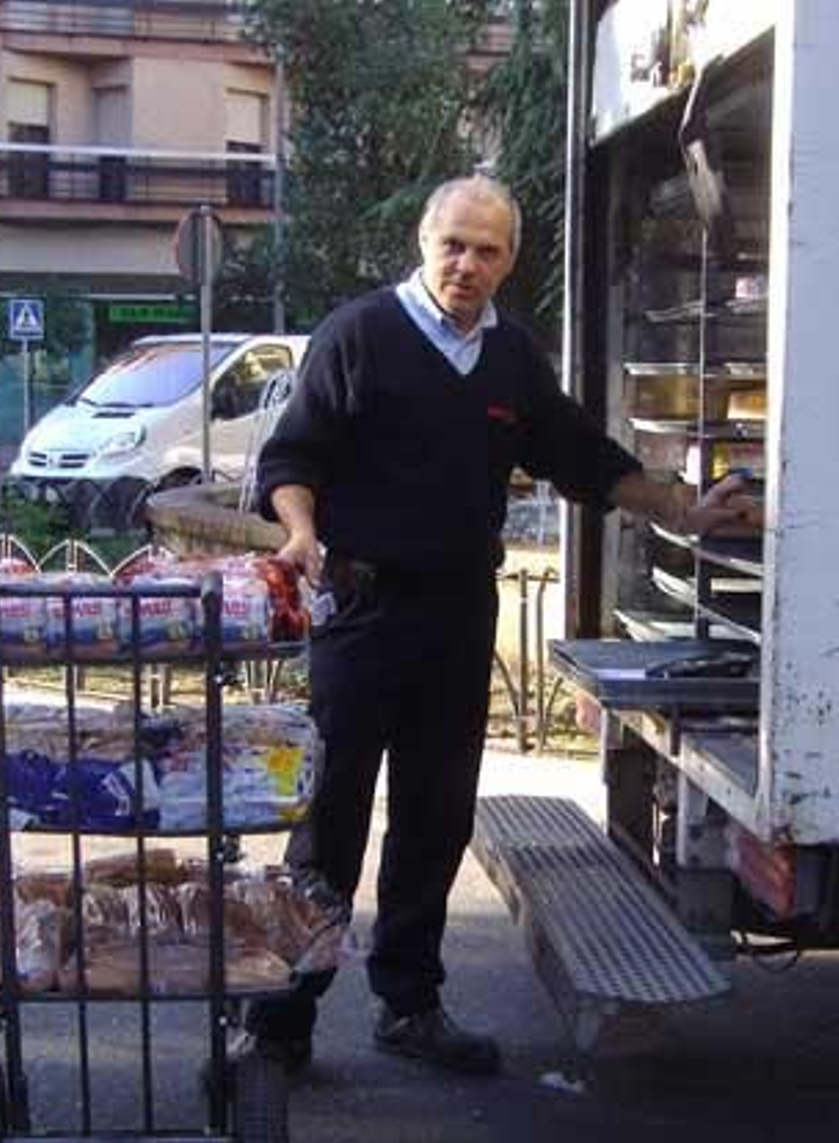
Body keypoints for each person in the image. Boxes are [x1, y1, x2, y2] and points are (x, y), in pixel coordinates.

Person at [244, 174, 757, 1076]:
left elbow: (584, 460)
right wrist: (301, 531)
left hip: (457, 612)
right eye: (453, 244)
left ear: (510, 261)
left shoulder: (511, 360)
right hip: (361, 613)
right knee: (329, 821)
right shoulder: (358, 335)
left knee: (434, 816)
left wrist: (683, 506)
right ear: (423, 238)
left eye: (487, 251)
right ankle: (280, 1020)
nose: (466, 264)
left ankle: (410, 1005)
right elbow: (295, 454)